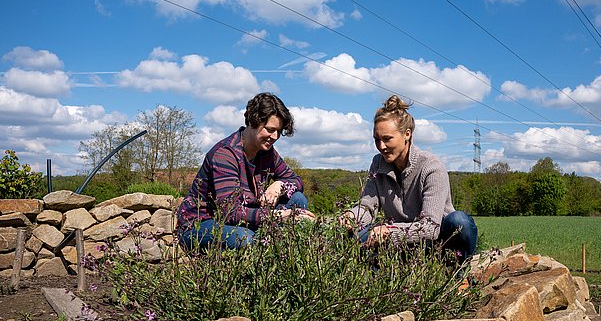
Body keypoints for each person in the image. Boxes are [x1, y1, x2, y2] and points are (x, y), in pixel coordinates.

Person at [339, 95, 477, 261]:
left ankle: (458, 272)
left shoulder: (431, 167)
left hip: (438, 241)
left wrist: (389, 230)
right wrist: (351, 217)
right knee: (356, 234)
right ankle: (378, 276)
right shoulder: (378, 164)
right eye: (377, 140)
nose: (381, 147)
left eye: (387, 139)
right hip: (402, 243)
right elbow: (368, 207)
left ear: (407, 134)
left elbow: (431, 227)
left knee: (460, 221)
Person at [176, 92, 315, 250]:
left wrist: (280, 185)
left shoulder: (267, 152)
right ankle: (264, 249)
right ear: (253, 121)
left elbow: (297, 181)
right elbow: (230, 213)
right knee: (245, 239)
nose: (275, 136)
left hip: (243, 219)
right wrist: (280, 216)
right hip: (201, 224)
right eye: (270, 129)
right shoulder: (225, 154)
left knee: (298, 200)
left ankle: (282, 253)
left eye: (279, 131)